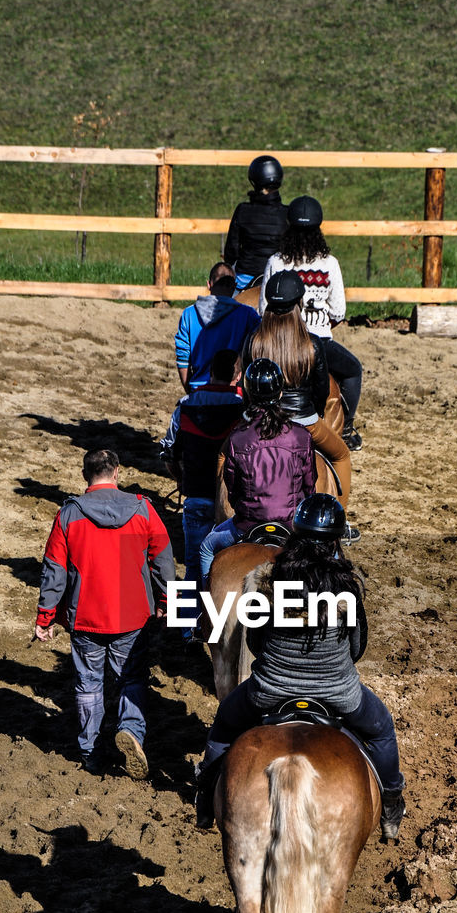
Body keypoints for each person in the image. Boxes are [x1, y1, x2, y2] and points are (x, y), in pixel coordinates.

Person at [194, 493, 406, 842]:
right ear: (337, 539)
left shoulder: (267, 579)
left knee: (223, 725)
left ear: (296, 531)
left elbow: (255, 643)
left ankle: (205, 799)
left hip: (270, 691)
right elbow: (356, 649)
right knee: (382, 728)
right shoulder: (347, 587)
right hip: (338, 694)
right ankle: (391, 807)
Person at [34, 447, 175, 778]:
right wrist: (169, 603)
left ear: (85, 476)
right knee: (133, 679)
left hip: (86, 618)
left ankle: (91, 751)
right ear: (117, 473)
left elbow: (53, 570)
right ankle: (131, 732)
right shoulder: (143, 509)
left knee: (88, 684)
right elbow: (165, 559)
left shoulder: (68, 515)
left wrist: (45, 616)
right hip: (134, 617)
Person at [241, 269, 359, 542]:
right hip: (304, 421)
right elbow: (319, 394)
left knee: (224, 456)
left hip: (258, 417)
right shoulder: (312, 345)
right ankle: (339, 521)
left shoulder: (253, 341)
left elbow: (248, 386)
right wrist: (311, 415)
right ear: (298, 305)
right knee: (342, 455)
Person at [260, 195, 364, 451]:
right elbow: (339, 311)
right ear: (319, 228)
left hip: (278, 340)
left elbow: (264, 310)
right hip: (318, 341)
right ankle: (347, 428)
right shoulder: (330, 264)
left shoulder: (276, 261)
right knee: (353, 371)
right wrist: (319, 324)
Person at [198, 359, 316, 584]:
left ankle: (205, 612)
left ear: (249, 394)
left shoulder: (238, 438)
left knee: (206, 548)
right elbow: (310, 488)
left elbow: (232, 492)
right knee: (331, 554)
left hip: (248, 525)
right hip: (292, 524)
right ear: (281, 393)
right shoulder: (302, 436)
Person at [161, 349, 245, 637]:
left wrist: (181, 479)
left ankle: (186, 631)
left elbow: (168, 452)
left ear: (210, 372)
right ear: (238, 375)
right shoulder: (243, 408)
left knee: (194, 566)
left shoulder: (186, 406)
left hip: (196, 496)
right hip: (232, 503)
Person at [174, 261, 260, 393]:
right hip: (233, 392)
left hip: (199, 389)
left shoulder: (189, 314)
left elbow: (183, 360)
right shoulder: (248, 315)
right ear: (234, 287)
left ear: (209, 284)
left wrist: (191, 391)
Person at [224, 155, 289, 292]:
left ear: (254, 181)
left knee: (228, 309)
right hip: (278, 276)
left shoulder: (242, 210)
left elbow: (231, 251)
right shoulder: (287, 213)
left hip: (245, 278)